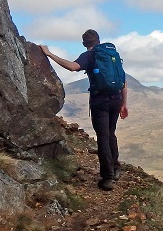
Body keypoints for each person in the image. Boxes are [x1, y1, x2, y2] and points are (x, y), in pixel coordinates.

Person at [40, 29, 128, 191]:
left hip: (99, 101)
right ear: (99, 40)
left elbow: (73, 67)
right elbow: (123, 80)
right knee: (111, 134)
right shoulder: (111, 55)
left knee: (103, 137)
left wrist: (49, 54)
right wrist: (124, 103)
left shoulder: (89, 55)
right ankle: (115, 168)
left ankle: (107, 178)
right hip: (116, 99)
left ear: (83, 43)